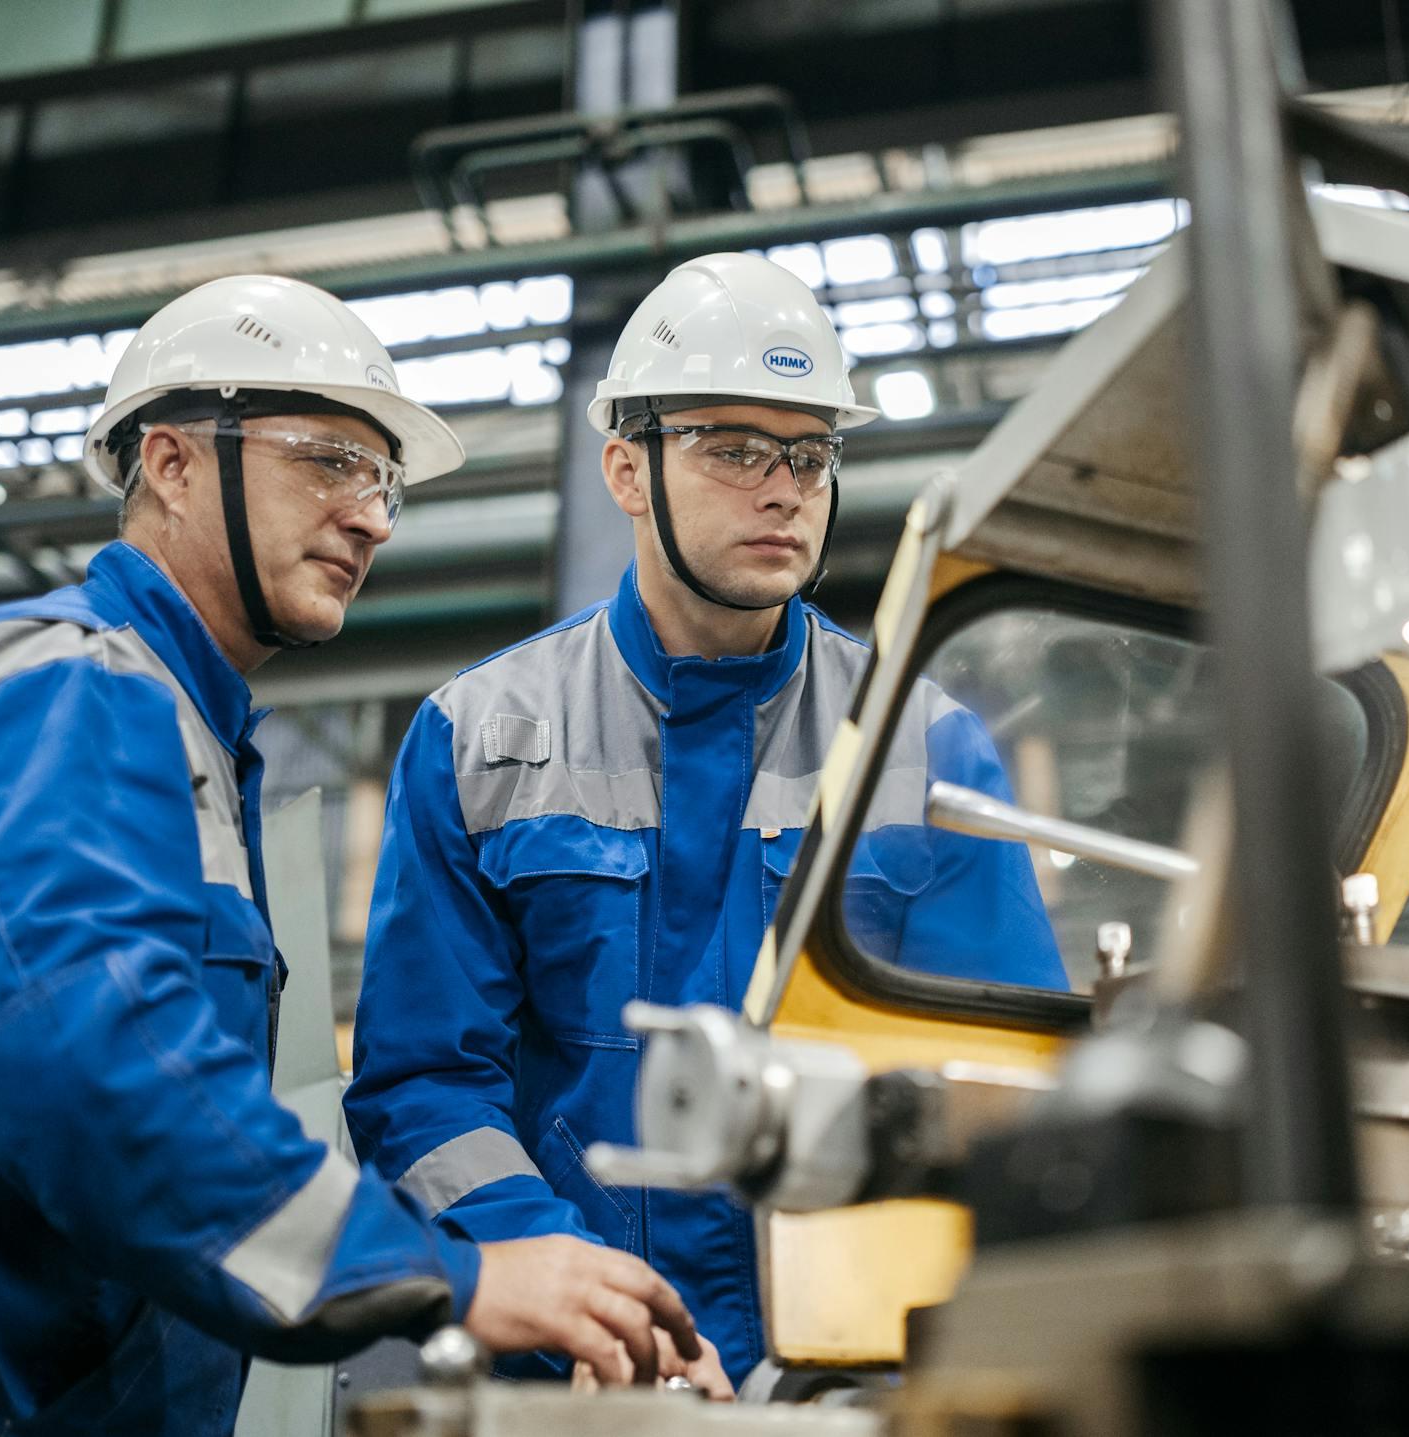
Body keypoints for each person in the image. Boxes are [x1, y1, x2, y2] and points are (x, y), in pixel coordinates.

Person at [0, 274, 700, 1436]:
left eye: (383, 480)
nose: (374, 518)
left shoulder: (177, 729)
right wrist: (461, 1275)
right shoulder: (61, 698)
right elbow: (104, 1091)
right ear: (172, 463)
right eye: (328, 461)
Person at [347, 253, 1064, 1391]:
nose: (784, 488)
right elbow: (426, 1084)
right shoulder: (480, 738)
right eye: (735, 447)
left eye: (812, 452)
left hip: (852, 1371)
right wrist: (562, 1279)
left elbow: (1001, 1095)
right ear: (626, 471)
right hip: (575, 1372)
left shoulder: (921, 745)